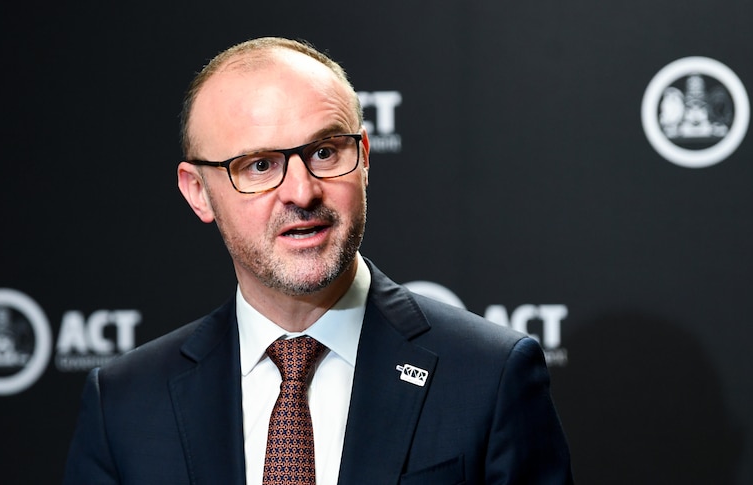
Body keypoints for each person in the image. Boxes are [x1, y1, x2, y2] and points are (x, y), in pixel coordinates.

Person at [63, 36, 574, 484]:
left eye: (326, 153)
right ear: (198, 192)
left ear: (366, 158)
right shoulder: (125, 405)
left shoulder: (487, 376)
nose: (302, 192)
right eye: (260, 165)